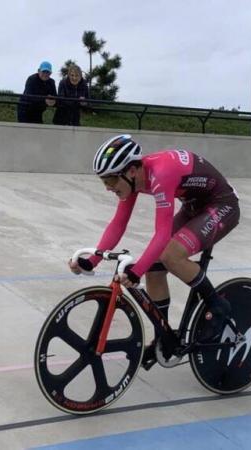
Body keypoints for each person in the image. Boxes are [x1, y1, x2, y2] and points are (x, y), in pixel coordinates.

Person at [68, 134, 240, 368]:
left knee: (170, 255)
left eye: (110, 181)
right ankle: (164, 337)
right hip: (194, 207)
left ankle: (218, 304)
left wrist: (135, 272)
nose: (108, 188)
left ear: (130, 171)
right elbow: (118, 224)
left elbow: (161, 234)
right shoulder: (133, 179)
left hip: (222, 205)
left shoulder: (161, 173)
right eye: (104, 182)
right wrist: (93, 260)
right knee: (154, 270)